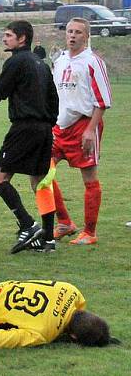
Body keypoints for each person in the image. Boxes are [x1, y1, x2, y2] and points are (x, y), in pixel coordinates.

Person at [0, 20, 59, 254]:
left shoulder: (15, 62)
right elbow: (54, 101)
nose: (4, 39)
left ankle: (28, 225)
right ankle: (48, 239)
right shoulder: (42, 64)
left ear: (22, 39)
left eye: (8, 35)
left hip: (23, 129)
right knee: (40, 183)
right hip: (45, 130)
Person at [49, 18, 112, 246]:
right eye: (69, 31)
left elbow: (103, 101)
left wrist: (90, 130)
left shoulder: (93, 62)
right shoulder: (61, 60)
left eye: (77, 32)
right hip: (59, 127)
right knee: (40, 172)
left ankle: (90, 232)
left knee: (89, 178)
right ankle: (65, 222)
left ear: (86, 36)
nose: (72, 35)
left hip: (84, 125)